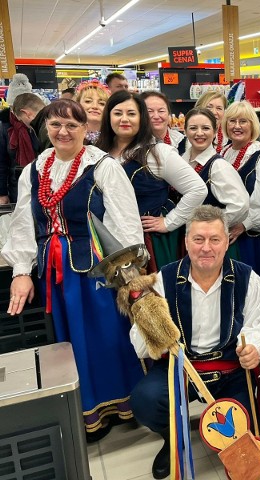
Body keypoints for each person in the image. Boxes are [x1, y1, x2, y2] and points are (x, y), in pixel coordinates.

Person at [1, 99, 145, 440]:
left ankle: (126, 406)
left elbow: (125, 223)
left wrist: (129, 275)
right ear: (45, 128)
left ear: (85, 129)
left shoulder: (103, 166)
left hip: (97, 267)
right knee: (69, 342)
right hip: (53, 271)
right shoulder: (34, 170)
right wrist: (21, 270)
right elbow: (23, 222)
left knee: (108, 336)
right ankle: (86, 411)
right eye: (55, 125)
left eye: (72, 125)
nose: (63, 132)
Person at [129, 205, 260, 480]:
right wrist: (147, 318)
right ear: (186, 242)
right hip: (179, 370)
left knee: (241, 430)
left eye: (215, 239)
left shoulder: (248, 279)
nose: (206, 248)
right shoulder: (161, 281)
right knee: (145, 401)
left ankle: (232, 439)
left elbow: (259, 329)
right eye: (198, 239)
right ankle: (173, 439)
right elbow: (142, 349)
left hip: (230, 371)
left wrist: (254, 349)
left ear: (227, 242)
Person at [96, 91, 207, 271]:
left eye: (131, 114)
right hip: (105, 240)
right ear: (108, 116)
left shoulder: (158, 152)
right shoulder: (97, 152)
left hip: (149, 243)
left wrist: (168, 222)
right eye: (118, 113)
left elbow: (197, 189)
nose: (124, 119)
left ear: (142, 118)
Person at [219, 101, 260, 282]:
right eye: (232, 121)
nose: (237, 126)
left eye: (243, 121)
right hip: (227, 233)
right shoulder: (223, 152)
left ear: (252, 125)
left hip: (252, 237)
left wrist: (243, 225)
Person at [182, 107, 249, 238]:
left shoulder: (218, 166)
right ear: (185, 131)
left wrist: (210, 226)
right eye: (193, 128)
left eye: (206, 128)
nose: (199, 133)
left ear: (215, 132)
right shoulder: (181, 161)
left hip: (208, 240)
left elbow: (240, 205)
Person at [0, 93, 45, 204]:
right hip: (17, 189)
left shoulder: (46, 127)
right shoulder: (5, 129)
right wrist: (2, 194)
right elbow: (1, 163)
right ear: (26, 114)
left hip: (44, 188)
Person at [74, 80, 109, 145]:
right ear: (77, 104)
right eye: (88, 101)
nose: (95, 106)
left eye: (101, 103)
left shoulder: (115, 138)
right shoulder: (69, 135)